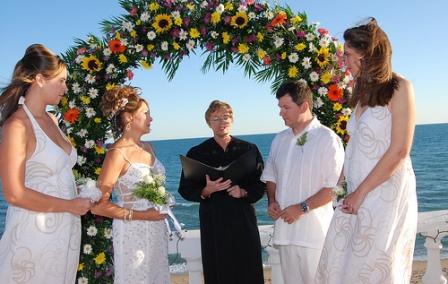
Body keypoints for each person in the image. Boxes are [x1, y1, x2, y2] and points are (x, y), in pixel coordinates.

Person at [316, 18, 418, 283]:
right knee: (340, 266)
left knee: (373, 269)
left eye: (348, 55)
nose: (345, 62)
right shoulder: (360, 93)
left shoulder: (400, 87)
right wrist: (339, 189)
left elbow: (399, 150)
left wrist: (361, 192)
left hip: (384, 194)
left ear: (368, 54)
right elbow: (355, 150)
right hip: (355, 194)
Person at [0, 44, 92, 283]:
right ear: (40, 79)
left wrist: (76, 192)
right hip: (35, 233)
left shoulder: (52, 119)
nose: (65, 88)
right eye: (61, 81)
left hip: (65, 231)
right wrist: (69, 205)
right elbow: (14, 194)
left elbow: (55, 172)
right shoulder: (17, 126)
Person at [261, 81, 344, 284]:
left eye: (286, 107)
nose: (281, 113)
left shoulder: (327, 139)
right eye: (280, 107)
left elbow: (336, 188)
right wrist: (271, 200)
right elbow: (270, 175)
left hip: (314, 235)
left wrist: (302, 207)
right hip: (285, 233)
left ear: (304, 106)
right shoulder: (279, 140)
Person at [178, 100, 265, 284]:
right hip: (214, 222)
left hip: (243, 219)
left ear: (232, 120)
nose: (221, 122)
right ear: (208, 122)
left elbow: (261, 183)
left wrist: (243, 191)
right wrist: (205, 190)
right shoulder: (197, 152)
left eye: (225, 117)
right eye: (216, 118)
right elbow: (185, 189)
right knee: (219, 272)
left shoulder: (249, 149)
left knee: (248, 269)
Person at [91, 86, 169, 284]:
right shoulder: (117, 153)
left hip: (156, 229)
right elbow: (98, 204)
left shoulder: (148, 148)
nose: (151, 119)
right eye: (146, 114)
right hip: (132, 231)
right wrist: (144, 216)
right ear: (128, 118)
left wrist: (163, 203)